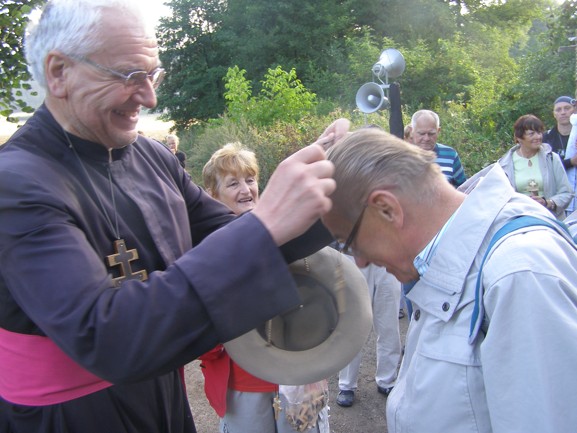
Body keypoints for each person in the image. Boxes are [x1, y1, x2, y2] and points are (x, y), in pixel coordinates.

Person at [0, 1, 350, 432]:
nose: (150, 97)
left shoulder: (150, 156)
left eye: (153, 75)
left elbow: (234, 238)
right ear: (59, 73)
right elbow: (105, 336)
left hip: (162, 393)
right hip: (68, 417)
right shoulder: (15, 183)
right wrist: (266, 223)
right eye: (130, 76)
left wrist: (337, 189)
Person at [322, 127, 577, 433]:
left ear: (387, 209)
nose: (360, 261)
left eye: (350, 243)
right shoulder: (446, 263)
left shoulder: (519, 276)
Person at [200, 142, 329, 433]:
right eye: (233, 183)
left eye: (250, 179)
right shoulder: (205, 247)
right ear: (212, 194)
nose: (246, 189)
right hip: (244, 382)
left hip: (299, 374)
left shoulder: (287, 227)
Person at [335, 261, 402, 408]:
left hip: (388, 258)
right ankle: (346, 384)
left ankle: (387, 379)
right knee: (351, 325)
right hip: (354, 256)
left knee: (389, 324)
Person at [498, 114, 572, 219]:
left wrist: (548, 203)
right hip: (518, 220)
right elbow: (500, 198)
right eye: (531, 134)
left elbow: (566, 193)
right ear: (519, 137)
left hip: (551, 219)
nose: (538, 137)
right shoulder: (505, 164)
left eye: (539, 132)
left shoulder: (552, 158)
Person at [410, 109, 467, 187]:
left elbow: (464, 188)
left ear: (438, 131)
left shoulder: (450, 155)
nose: (426, 138)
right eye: (421, 133)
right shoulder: (401, 156)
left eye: (431, 134)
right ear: (412, 131)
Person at [542, 95, 577, 168]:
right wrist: (570, 162)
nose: (563, 112)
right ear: (554, 114)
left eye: (567, 108)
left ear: (575, 110)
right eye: (558, 110)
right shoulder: (546, 137)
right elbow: (544, 166)